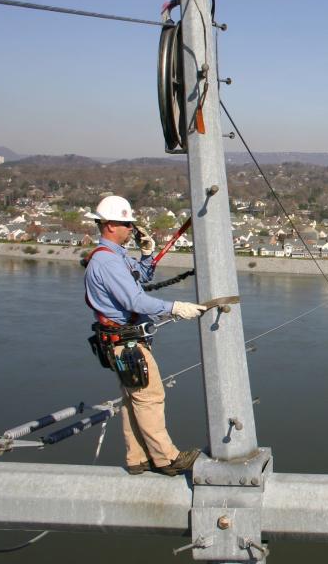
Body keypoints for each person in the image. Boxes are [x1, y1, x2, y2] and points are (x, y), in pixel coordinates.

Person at [83, 195, 207, 476]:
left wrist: (148, 255)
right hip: (127, 343)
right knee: (149, 397)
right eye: (127, 224)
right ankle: (167, 458)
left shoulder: (115, 257)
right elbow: (136, 302)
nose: (131, 229)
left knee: (133, 399)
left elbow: (140, 276)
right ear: (110, 225)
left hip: (119, 342)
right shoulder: (108, 262)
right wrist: (175, 307)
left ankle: (137, 457)